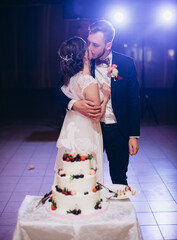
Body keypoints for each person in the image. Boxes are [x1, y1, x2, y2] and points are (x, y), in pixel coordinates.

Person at [58, 20, 140, 185]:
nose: (89, 48)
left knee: (119, 177)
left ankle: (120, 211)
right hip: (91, 130)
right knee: (87, 178)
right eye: (89, 42)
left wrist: (133, 135)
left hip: (118, 130)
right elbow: (59, 91)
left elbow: (133, 101)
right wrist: (73, 104)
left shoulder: (126, 63)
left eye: (95, 44)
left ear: (108, 44)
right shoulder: (81, 62)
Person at [54, 36, 110, 184]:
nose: (90, 47)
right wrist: (105, 98)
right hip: (87, 131)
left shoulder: (69, 79)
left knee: (72, 173)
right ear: (84, 55)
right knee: (86, 174)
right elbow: (96, 116)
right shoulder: (88, 82)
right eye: (87, 46)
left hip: (71, 129)